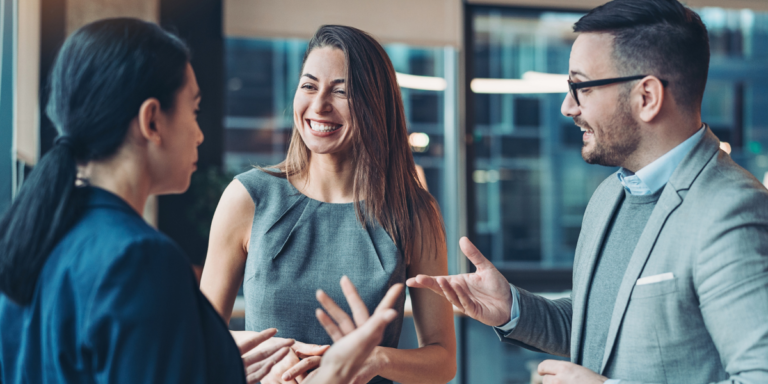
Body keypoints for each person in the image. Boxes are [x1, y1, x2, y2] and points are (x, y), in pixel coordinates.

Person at [408, 0, 768, 383]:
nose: (567, 107)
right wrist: (514, 307)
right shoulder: (610, 196)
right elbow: (598, 331)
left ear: (646, 97)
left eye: (581, 88)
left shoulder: (732, 209)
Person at [0, 18, 293, 383]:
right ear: (152, 120)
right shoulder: (140, 258)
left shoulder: (33, 234)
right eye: (194, 110)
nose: (200, 135)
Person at [200, 25, 457, 384]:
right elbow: (198, 343)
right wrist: (267, 353)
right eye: (309, 86)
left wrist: (376, 358)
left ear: (374, 104)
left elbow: (443, 360)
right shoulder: (247, 197)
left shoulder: (414, 212)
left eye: (341, 92)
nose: (318, 105)